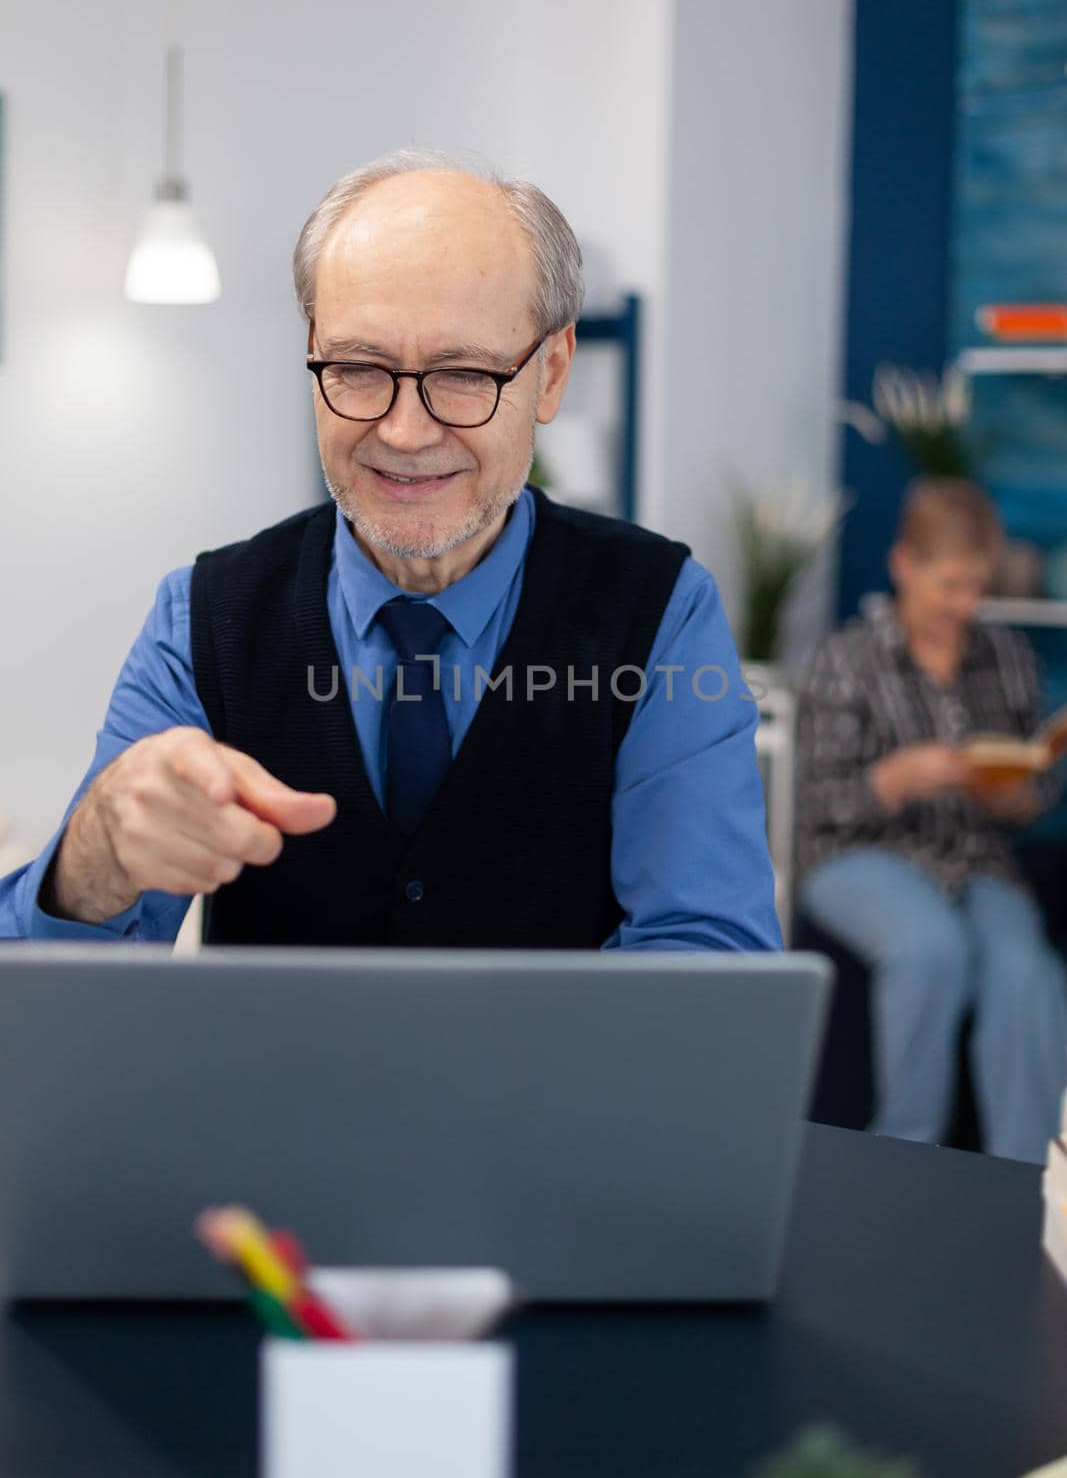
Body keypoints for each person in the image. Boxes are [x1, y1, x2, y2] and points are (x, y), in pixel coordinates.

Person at [0, 148, 780, 955]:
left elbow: (707, 959)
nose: (405, 433)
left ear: (550, 374)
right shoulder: (202, 617)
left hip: (553, 1086)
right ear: (313, 356)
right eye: (360, 366)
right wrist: (94, 854)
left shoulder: (659, 611)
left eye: (465, 373)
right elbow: (54, 994)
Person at [795, 478, 1066, 1163]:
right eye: (949, 586)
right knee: (928, 949)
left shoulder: (1004, 657)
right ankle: (905, 1157)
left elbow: (1033, 794)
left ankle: (1025, 1175)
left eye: (975, 587)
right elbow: (814, 806)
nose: (963, 606)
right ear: (903, 566)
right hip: (856, 854)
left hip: (975, 856)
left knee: (1026, 973)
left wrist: (1014, 795)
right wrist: (895, 778)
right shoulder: (846, 659)